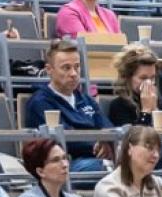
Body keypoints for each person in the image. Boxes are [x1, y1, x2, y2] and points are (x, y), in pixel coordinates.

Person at [23, 38, 114, 172]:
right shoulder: (39, 102)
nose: (73, 73)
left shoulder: (86, 99)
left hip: (96, 159)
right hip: (64, 163)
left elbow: (107, 127)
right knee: (112, 169)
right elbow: (62, 140)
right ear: (49, 69)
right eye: (66, 68)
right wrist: (97, 144)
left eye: (77, 66)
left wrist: (107, 141)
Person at [107, 43, 162, 131]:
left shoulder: (158, 99)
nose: (148, 82)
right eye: (143, 78)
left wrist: (156, 109)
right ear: (128, 78)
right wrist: (146, 110)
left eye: (152, 78)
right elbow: (134, 139)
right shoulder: (118, 105)